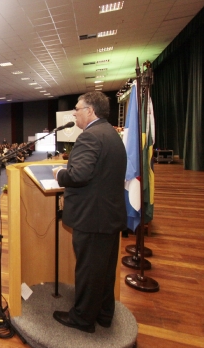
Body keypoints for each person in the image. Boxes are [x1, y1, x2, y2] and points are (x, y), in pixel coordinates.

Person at [51, 91, 127, 333]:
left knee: (88, 271)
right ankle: (104, 314)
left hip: (92, 217)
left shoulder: (90, 137)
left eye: (77, 108)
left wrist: (59, 174)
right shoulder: (111, 134)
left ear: (90, 111)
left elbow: (78, 175)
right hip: (108, 215)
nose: (74, 112)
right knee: (103, 270)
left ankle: (82, 318)